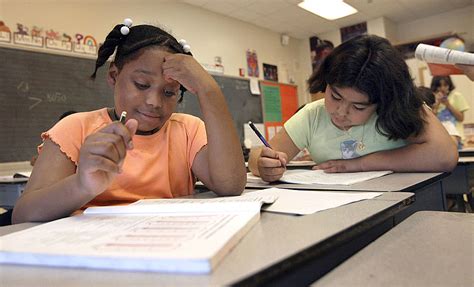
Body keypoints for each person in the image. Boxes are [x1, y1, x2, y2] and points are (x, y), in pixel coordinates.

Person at [13, 19, 246, 223]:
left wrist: (209, 90)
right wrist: (82, 185)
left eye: (169, 92)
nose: (154, 102)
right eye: (142, 85)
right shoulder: (75, 128)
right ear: (114, 75)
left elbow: (230, 185)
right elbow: (23, 214)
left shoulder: (188, 130)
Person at [249, 35, 458, 182]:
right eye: (335, 96)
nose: (340, 112)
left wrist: (359, 164)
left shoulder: (399, 110)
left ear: (383, 102)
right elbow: (258, 156)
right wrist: (264, 165)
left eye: (358, 106)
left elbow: (445, 156)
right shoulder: (312, 116)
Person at [430, 76, 470, 142]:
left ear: (449, 85)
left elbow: (461, 118)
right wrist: (437, 104)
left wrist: (448, 105)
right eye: (439, 86)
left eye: (445, 85)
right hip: (439, 135)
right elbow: (431, 119)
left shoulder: (457, 96)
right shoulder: (432, 98)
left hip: (456, 135)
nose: (442, 88)